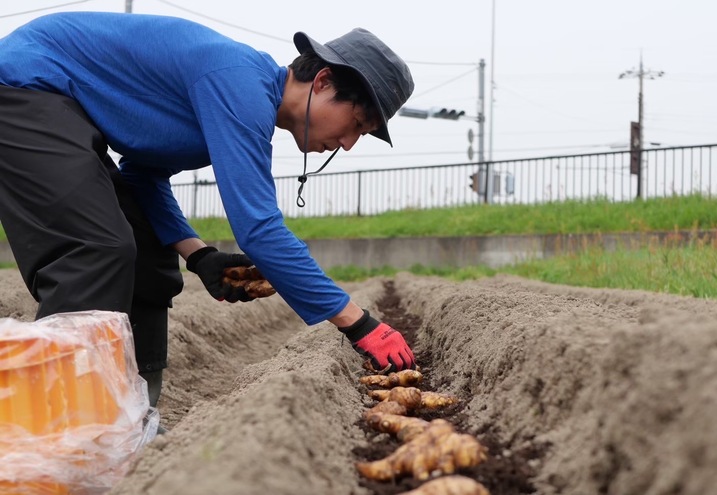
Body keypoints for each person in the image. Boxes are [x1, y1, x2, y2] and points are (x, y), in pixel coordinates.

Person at [0, 11, 417, 413]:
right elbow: (259, 229)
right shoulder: (239, 82)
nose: (348, 144)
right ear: (323, 81)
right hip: (23, 86)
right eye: (357, 124)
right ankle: (55, 422)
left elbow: (143, 177)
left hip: (61, 105)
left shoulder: (238, 94)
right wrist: (358, 323)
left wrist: (199, 256)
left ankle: (131, 412)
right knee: (96, 250)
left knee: (150, 256)